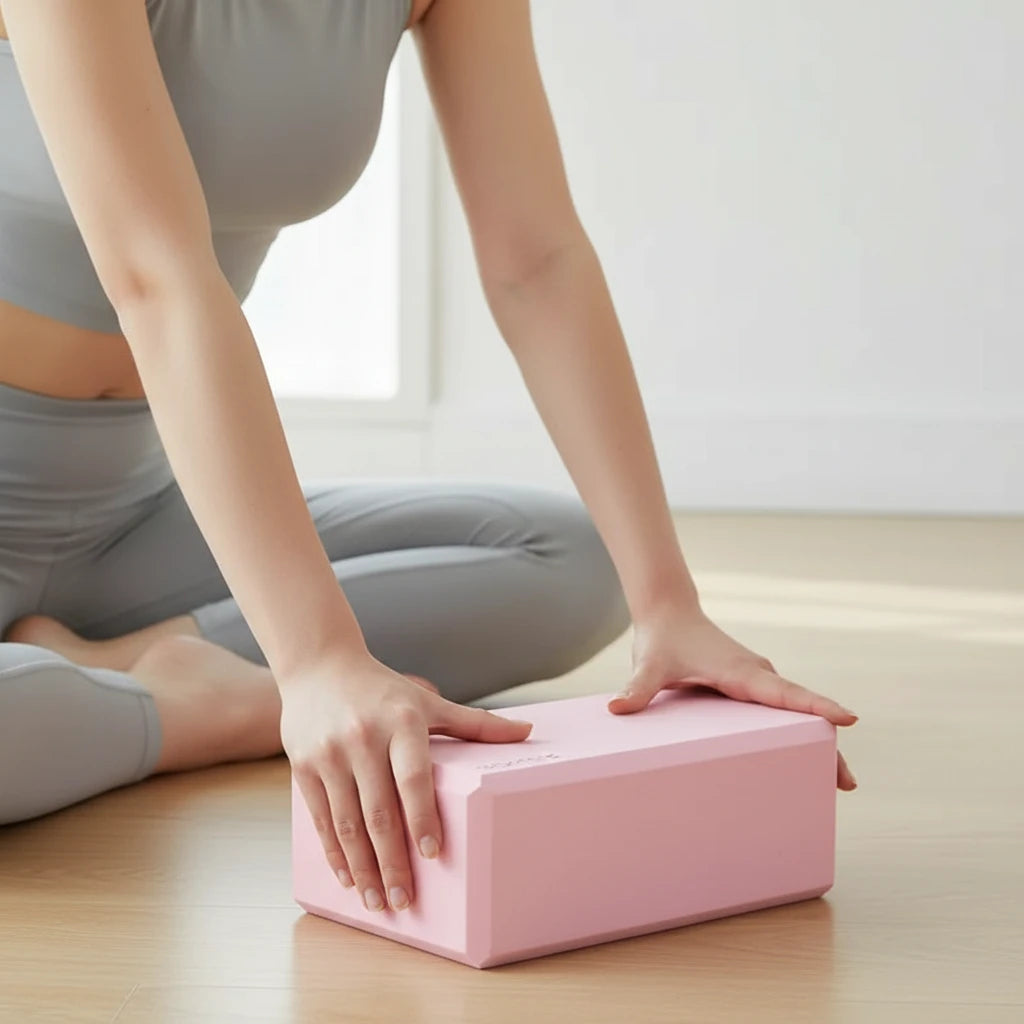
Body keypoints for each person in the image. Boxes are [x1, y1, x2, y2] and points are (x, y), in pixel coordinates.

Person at [0, 0, 857, 916]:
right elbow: (157, 280)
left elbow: (537, 261)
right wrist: (315, 660)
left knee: (575, 562)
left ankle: (112, 663)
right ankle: (192, 709)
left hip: (131, 510)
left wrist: (668, 604)